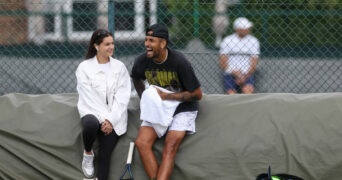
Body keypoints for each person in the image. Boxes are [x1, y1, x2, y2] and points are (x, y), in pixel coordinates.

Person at [131, 23, 203, 180]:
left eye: (151, 41)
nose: (147, 45)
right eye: (146, 40)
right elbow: (136, 78)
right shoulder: (141, 61)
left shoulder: (180, 62)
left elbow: (197, 94)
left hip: (183, 107)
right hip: (159, 106)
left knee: (169, 146)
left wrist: (168, 96)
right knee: (142, 143)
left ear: (163, 43)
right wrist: (146, 100)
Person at [75, 29, 131, 180]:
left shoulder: (120, 67)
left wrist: (111, 120)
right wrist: (103, 120)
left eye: (112, 43)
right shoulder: (84, 68)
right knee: (90, 125)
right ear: (96, 46)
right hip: (92, 112)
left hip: (114, 120)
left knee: (105, 155)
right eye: (107, 44)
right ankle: (87, 154)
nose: (111, 47)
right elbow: (89, 98)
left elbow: (123, 97)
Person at [219, 17, 260, 94]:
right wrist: (235, 73)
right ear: (238, 29)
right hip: (230, 73)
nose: (248, 29)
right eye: (245, 28)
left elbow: (254, 62)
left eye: (248, 28)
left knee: (248, 92)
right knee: (231, 94)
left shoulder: (254, 41)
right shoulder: (227, 40)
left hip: (247, 73)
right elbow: (222, 62)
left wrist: (245, 76)